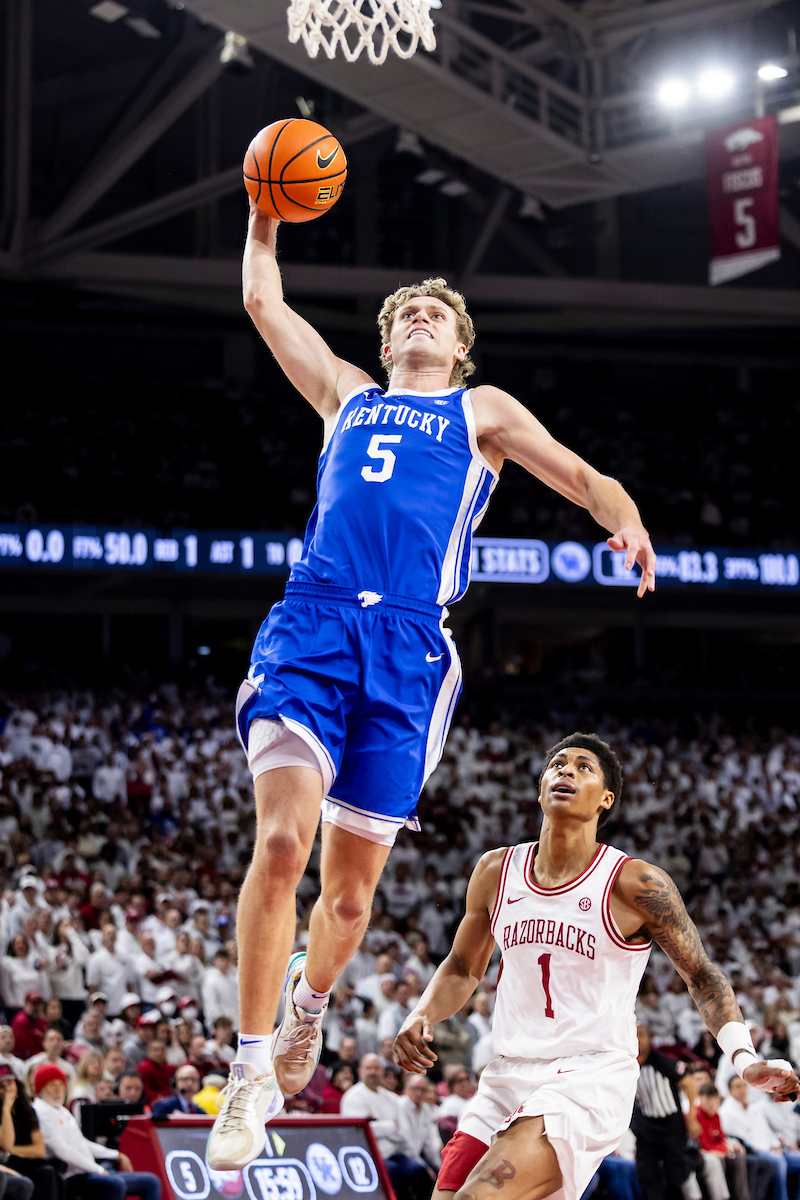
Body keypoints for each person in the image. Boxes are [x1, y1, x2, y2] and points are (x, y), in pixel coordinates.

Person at [207, 204, 658, 1171]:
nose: (419, 315)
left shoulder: (479, 411)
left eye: (437, 314)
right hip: (315, 621)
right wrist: (262, 214)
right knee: (281, 844)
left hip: (410, 648)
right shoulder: (345, 393)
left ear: (459, 349)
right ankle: (247, 1070)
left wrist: (624, 519)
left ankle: (309, 1002)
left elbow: (584, 477)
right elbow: (261, 299)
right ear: (385, 342)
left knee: (348, 904)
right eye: (405, 311)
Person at [393, 733, 800, 1200]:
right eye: (557, 764)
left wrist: (743, 1058)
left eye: (583, 767)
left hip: (589, 1077)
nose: (566, 770)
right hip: (506, 1074)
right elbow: (463, 968)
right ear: (540, 788)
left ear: (606, 799)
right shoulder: (495, 871)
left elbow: (702, 975)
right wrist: (422, 1012)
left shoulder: (635, 883)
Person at [32, 1063, 162, 1199]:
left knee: (152, 1182)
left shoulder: (61, 1110)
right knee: (115, 1184)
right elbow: (63, 1151)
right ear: (41, 1089)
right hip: (73, 1175)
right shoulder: (40, 1112)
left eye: (61, 1085)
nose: (58, 1090)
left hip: (90, 1170)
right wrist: (98, 1169)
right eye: (52, 1085)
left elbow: (82, 1143)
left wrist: (116, 1154)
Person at [341, 1054, 433, 1200]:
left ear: (382, 1071)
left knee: (419, 1171)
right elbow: (360, 1131)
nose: (372, 1072)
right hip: (369, 1155)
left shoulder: (392, 1098)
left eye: (376, 1068)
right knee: (393, 1172)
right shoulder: (352, 1097)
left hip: (395, 1152)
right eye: (369, 1068)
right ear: (360, 1071)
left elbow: (403, 1132)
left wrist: (378, 1126)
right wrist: (391, 1125)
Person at [631, 1025, 691, 1200]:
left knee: (675, 1175)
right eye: (633, 1035)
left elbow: (689, 1082)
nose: (637, 1039)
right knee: (647, 1173)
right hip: (647, 1125)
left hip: (671, 1124)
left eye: (641, 1035)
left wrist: (693, 1116)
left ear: (649, 1038)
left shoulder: (661, 1061)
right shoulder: (627, 1064)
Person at [720, 1076, 800, 1200]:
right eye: (738, 1087)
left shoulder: (753, 1108)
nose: (742, 1090)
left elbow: (766, 1130)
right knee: (779, 1162)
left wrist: (776, 1145)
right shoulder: (726, 1112)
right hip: (756, 1151)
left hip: (772, 1148)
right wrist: (769, 1149)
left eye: (744, 1086)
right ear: (730, 1091)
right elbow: (743, 1140)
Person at [0, 1068, 61, 1200]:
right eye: (1, 1087)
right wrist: (6, 1109)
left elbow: (39, 1150)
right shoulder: (2, 1113)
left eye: (10, 1083)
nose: (8, 1089)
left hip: (27, 1162)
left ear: (17, 1084)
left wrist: (12, 1151)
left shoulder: (28, 1110)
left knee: (49, 1172)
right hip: (8, 1164)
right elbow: (6, 1144)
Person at [695, 1083, 755, 1200]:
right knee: (719, 1159)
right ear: (701, 1099)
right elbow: (704, 1144)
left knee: (738, 1158)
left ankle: (742, 1197)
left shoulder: (716, 1115)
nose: (711, 1103)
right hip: (702, 1152)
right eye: (707, 1099)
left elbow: (721, 1138)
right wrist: (724, 1148)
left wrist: (730, 1145)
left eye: (713, 1099)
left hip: (716, 1150)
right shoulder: (697, 1115)